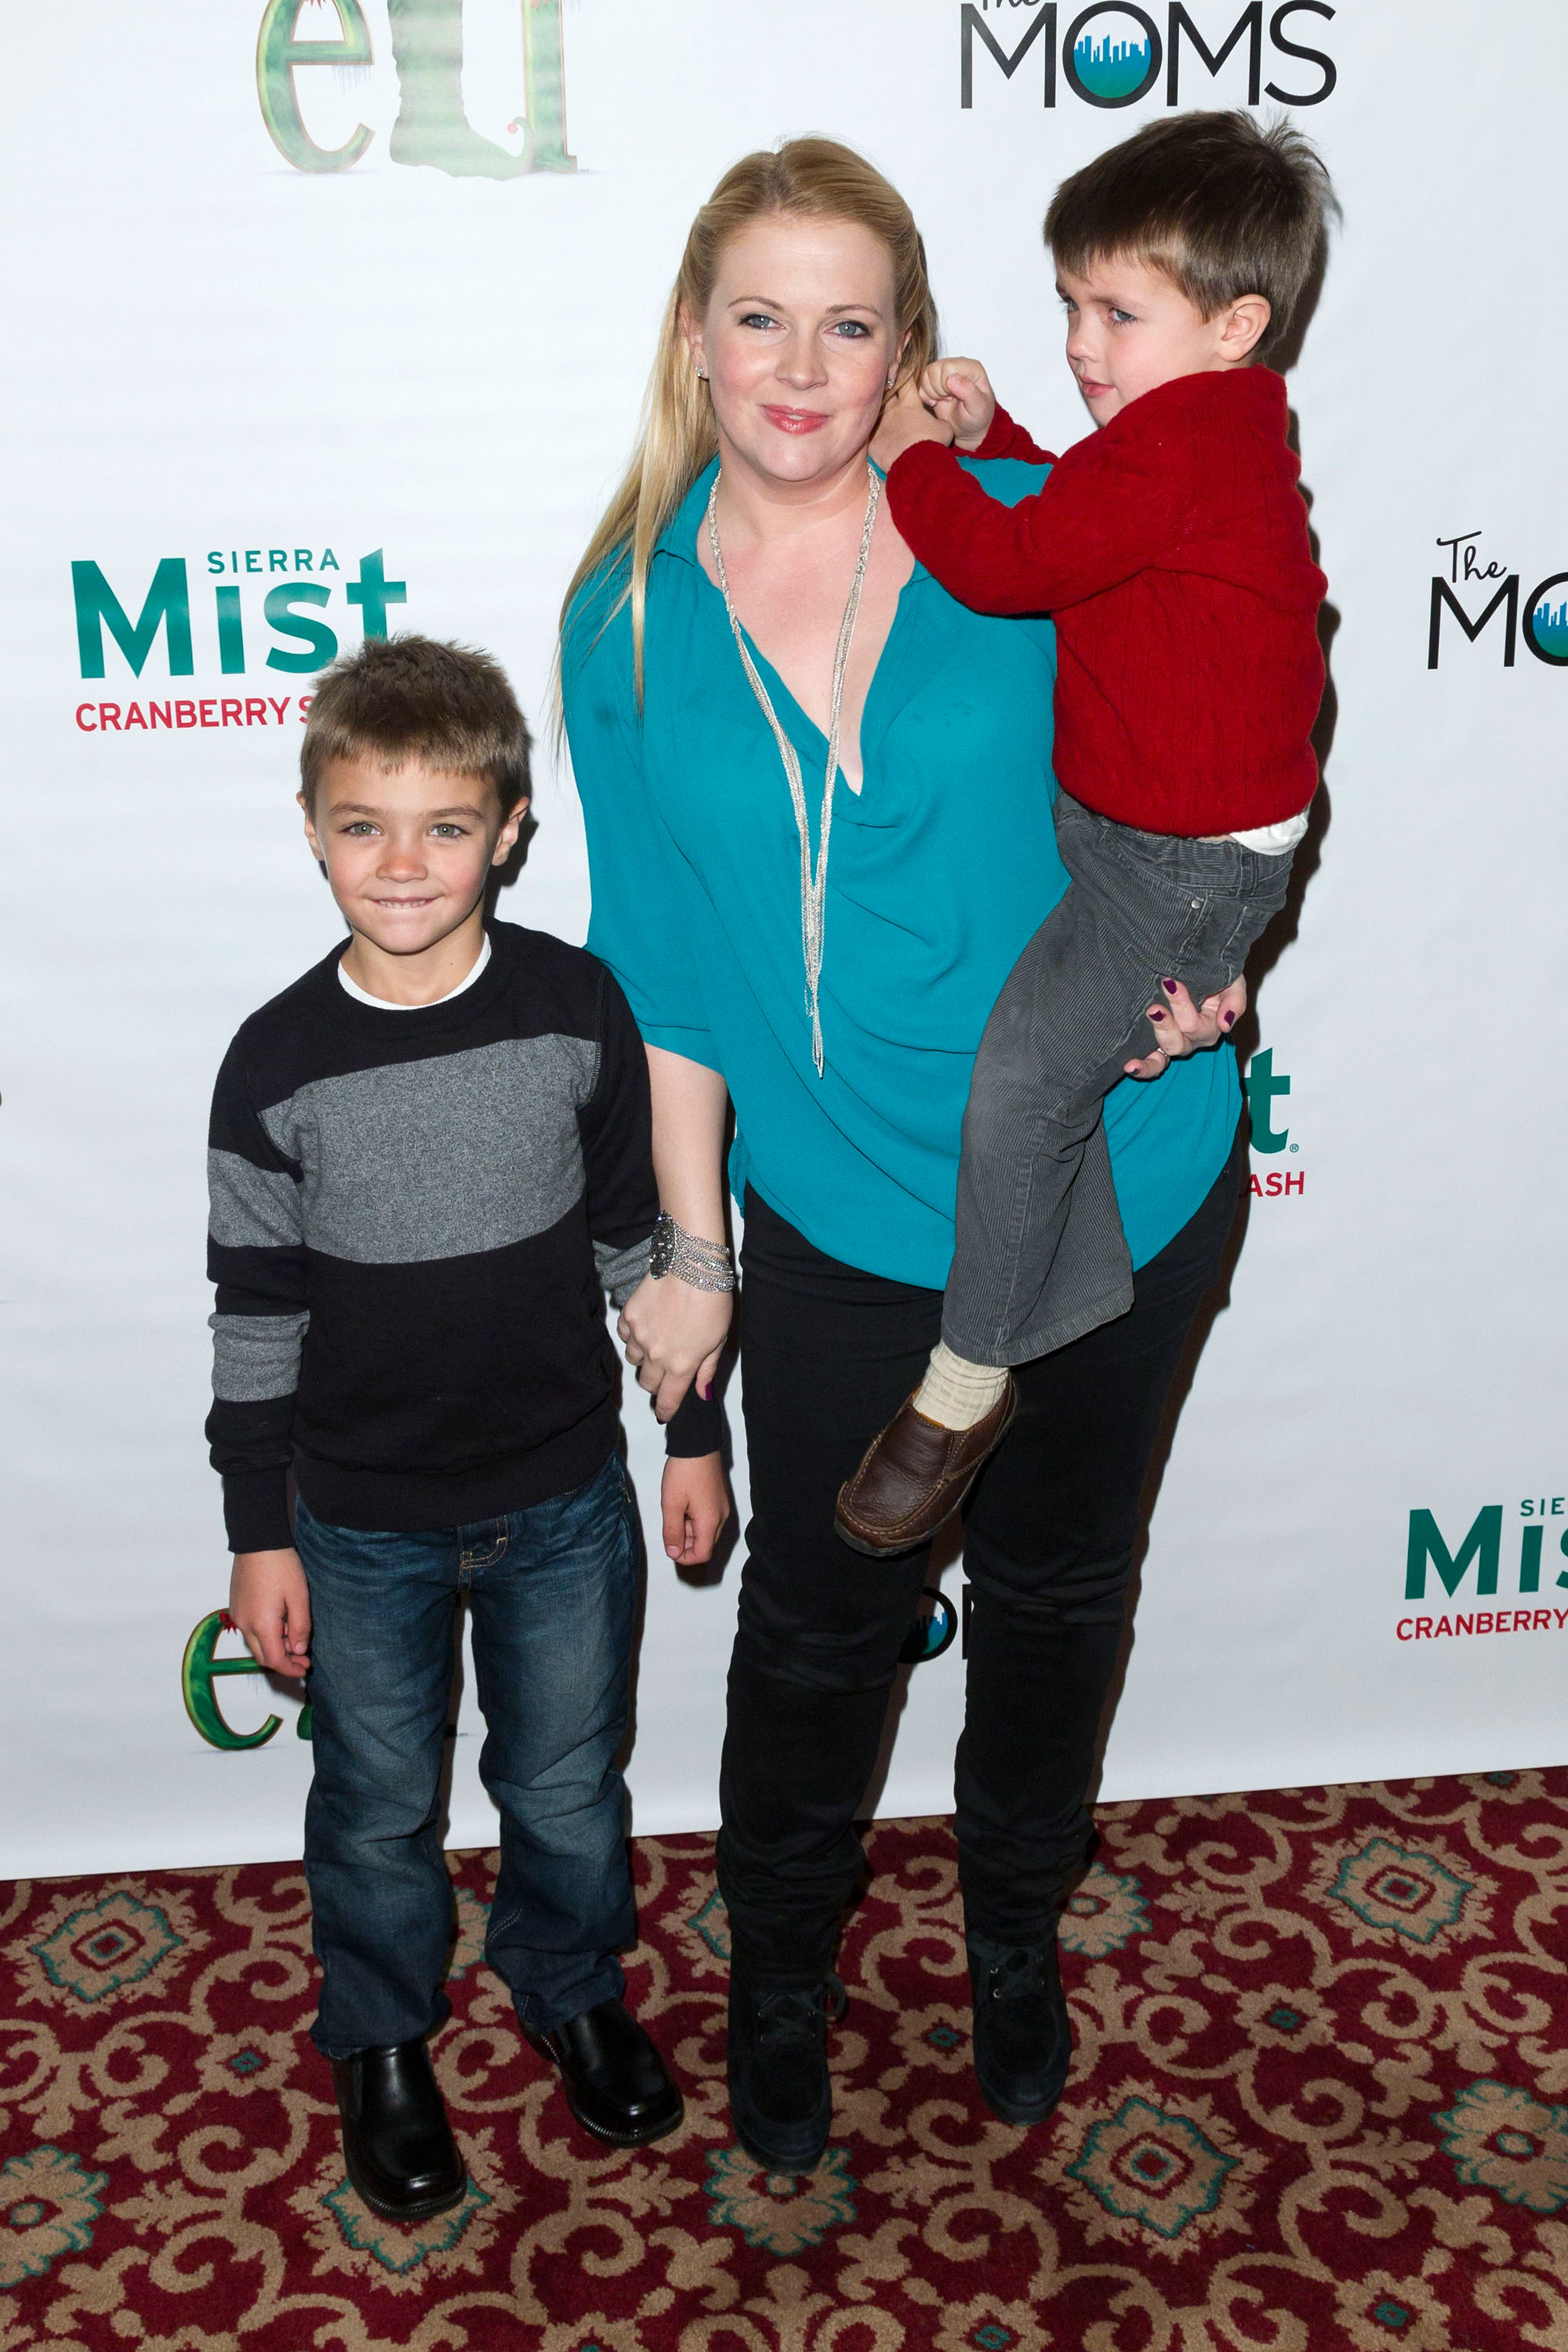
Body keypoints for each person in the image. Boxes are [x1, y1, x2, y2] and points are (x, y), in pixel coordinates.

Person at [561, 138, 1249, 2172]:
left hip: (1125, 1160)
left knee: (1052, 1593)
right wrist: (686, 1247)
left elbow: (1211, 764)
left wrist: (1210, 952)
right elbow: (667, 969)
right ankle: (783, 1977)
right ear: (699, 335)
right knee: (820, 1625)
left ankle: (1014, 1940)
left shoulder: (1033, 529)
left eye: (847, 322)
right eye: (759, 316)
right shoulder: (628, 615)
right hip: (852, 1209)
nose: (799, 363)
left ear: (905, 354)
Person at [209, 635, 728, 2222]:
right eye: (365, 823)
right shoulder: (274, 1066)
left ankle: (569, 1985)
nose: (405, 862)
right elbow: (254, 1319)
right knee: (373, 1801)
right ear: (309, 825)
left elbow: (640, 1245)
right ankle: (379, 2038)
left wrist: (695, 1439)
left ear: (509, 829)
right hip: (355, 1524)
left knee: (567, 1784)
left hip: (564, 1499)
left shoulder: (577, 1005)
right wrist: (257, 1536)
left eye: (446, 825)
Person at [840, 111, 1330, 1555]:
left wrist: (922, 458)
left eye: (1119, 312)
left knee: (1019, 1092)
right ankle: (1051, 1308)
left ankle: (966, 1381)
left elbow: (1007, 563)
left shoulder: (1188, 446)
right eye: (1070, 305)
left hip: (1173, 871)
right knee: (1054, 1071)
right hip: (1150, 842)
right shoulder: (1194, 435)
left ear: (1238, 323)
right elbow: (1095, 519)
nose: (1081, 341)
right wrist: (1006, 440)